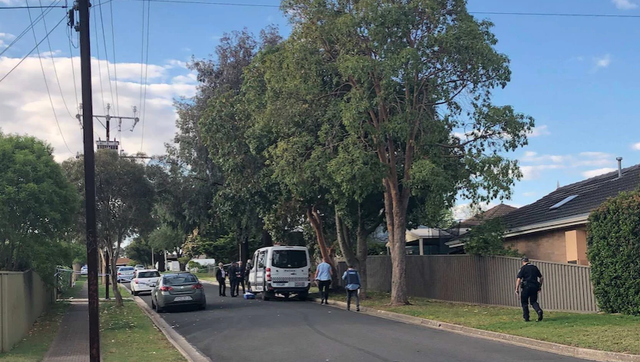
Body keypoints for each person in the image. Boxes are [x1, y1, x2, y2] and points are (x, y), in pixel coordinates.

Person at [515, 257, 544, 322]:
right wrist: (539, 286)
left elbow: (519, 279)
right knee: (533, 301)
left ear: (523, 262)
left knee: (524, 302)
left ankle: (526, 317)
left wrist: (516, 289)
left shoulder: (523, 268)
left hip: (526, 287)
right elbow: (541, 277)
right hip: (534, 287)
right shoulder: (534, 267)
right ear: (528, 261)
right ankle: (539, 311)